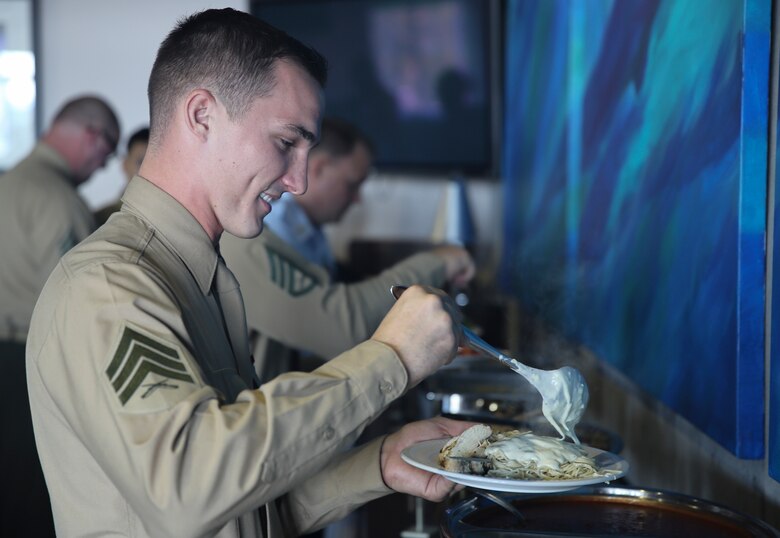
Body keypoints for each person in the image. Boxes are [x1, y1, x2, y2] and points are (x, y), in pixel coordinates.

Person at [26, 9, 471, 538]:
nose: (299, 181)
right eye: (286, 142)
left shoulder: (197, 275)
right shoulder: (108, 286)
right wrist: (391, 359)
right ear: (201, 116)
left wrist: (378, 464)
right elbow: (190, 490)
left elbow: (241, 514)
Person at [221, 118, 475, 382]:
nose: (357, 199)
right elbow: (342, 325)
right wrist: (438, 263)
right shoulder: (255, 233)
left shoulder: (307, 234)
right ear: (319, 169)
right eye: (352, 185)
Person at [0, 94, 119, 537]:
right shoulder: (58, 199)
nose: (103, 168)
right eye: (106, 156)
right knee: (34, 498)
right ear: (91, 136)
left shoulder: (8, 182)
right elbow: (85, 309)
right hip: (30, 368)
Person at [94, 126, 149, 226]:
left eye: (156, 164)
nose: (148, 170)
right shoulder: (101, 220)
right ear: (125, 164)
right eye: (140, 162)